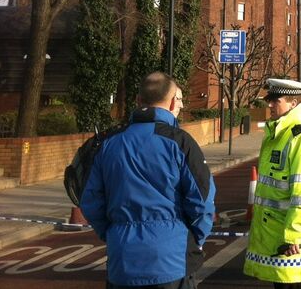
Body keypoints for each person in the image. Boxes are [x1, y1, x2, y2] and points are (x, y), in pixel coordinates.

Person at [81, 72, 216, 289]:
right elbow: (202, 199)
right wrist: (194, 239)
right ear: (172, 102)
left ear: (138, 100)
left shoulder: (109, 143)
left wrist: (112, 232)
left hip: (122, 259)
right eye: (180, 100)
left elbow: (90, 200)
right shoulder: (180, 142)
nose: (180, 106)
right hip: (171, 260)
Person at [243, 79, 301, 289]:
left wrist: (294, 237)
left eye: (275, 100)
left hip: (291, 244)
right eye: (268, 99)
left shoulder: (300, 139)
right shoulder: (277, 134)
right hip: (276, 237)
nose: (269, 105)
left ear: (293, 103)